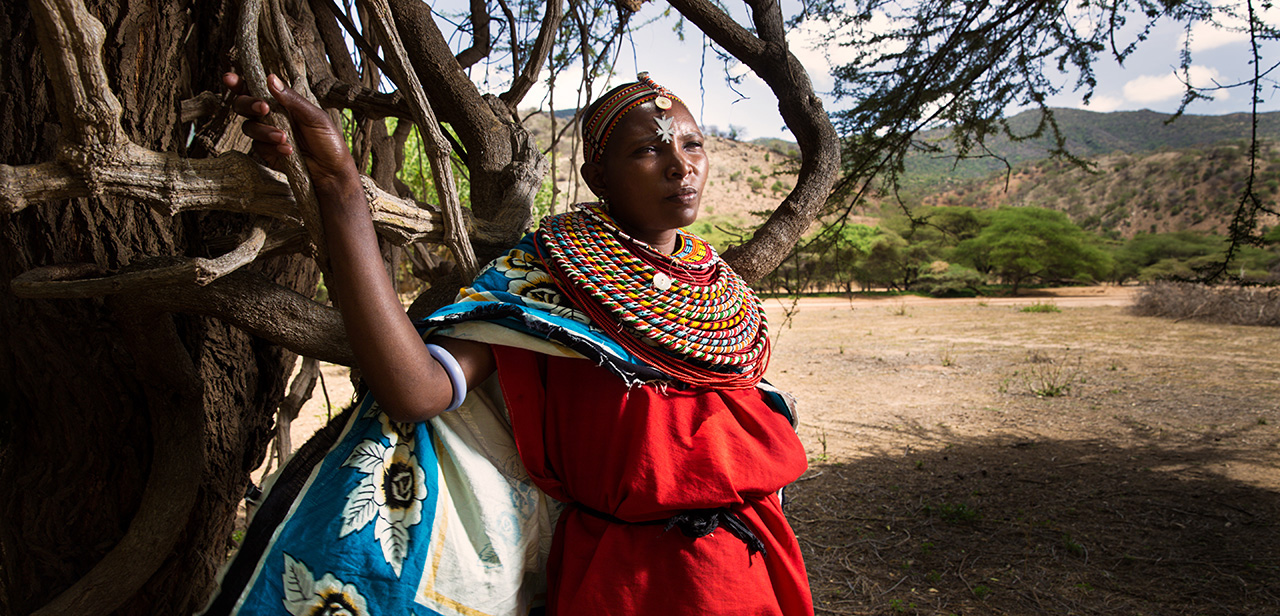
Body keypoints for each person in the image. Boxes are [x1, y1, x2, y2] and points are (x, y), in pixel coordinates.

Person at [205, 71, 813, 616]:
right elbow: (418, 393)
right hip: (627, 583)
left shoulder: (721, 291)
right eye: (647, 150)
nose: (681, 166)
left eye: (691, 144)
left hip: (759, 564)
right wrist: (340, 186)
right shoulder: (548, 281)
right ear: (595, 176)